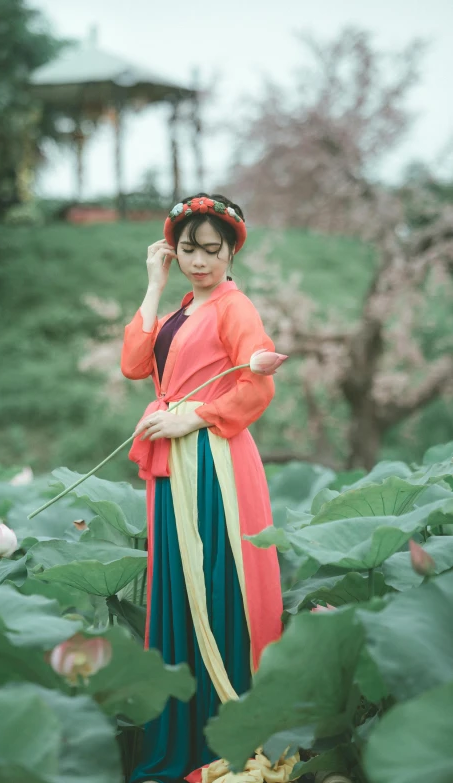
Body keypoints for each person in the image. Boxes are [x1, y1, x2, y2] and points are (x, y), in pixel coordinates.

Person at [120, 193, 284, 783]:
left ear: (231, 250)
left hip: (214, 462)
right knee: (180, 588)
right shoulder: (183, 309)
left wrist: (191, 417)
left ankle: (226, 735)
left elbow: (255, 387)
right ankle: (181, 738)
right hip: (173, 466)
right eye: (187, 249)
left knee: (216, 586)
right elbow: (135, 364)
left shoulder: (236, 309)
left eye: (211, 250)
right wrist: (153, 283)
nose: (198, 261)